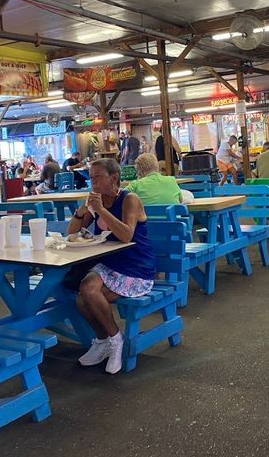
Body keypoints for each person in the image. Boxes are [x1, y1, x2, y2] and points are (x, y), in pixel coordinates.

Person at [67, 159, 156, 375]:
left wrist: (101, 210)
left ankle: (116, 340)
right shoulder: (96, 202)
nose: (93, 182)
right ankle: (103, 341)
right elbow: (72, 233)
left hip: (136, 265)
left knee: (87, 293)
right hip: (109, 263)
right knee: (82, 296)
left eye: (98, 177)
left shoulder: (129, 199)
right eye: (91, 177)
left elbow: (126, 235)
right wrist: (82, 211)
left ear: (114, 178)